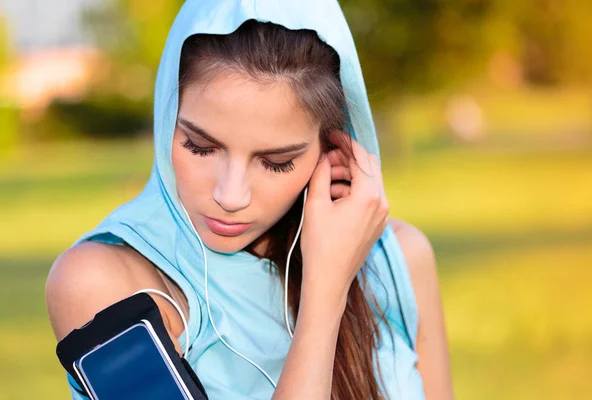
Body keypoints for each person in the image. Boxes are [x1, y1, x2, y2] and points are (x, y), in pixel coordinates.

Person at [45, 1, 453, 399]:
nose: (230, 195)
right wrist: (325, 296)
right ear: (168, 117)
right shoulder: (101, 283)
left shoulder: (399, 258)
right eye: (200, 146)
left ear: (333, 149)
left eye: (276, 162)